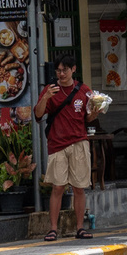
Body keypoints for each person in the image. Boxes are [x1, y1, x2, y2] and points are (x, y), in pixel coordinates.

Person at [34, 60, 97, 241]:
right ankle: (53, 229)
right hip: (57, 143)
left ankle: (79, 228)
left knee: (79, 187)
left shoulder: (84, 90)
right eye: (58, 71)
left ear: (73, 69)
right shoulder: (50, 90)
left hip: (79, 142)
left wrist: (96, 111)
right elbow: (38, 115)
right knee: (58, 187)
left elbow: (89, 117)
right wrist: (45, 97)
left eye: (65, 70)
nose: (61, 74)